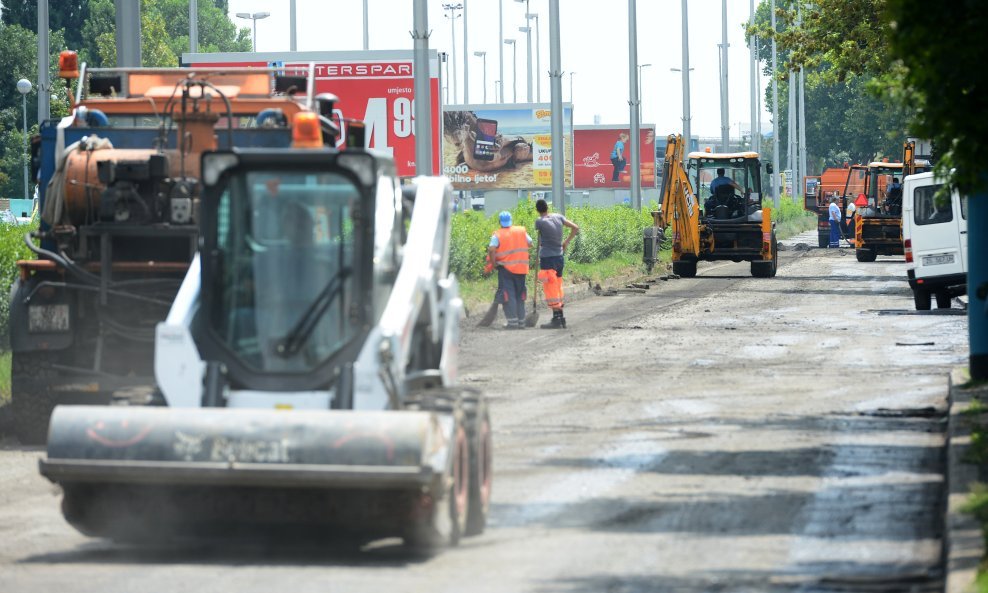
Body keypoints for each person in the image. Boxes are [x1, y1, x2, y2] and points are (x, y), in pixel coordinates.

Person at [534, 198, 580, 329]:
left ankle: (556, 319)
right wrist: (566, 241)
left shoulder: (539, 221)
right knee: (558, 285)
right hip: (559, 257)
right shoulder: (558, 217)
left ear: (537, 210)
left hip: (547, 259)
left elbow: (540, 235)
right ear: (547, 208)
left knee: (550, 287)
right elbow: (575, 227)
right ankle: (561, 317)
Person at [488, 211, 532, 329]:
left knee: (509, 295)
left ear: (500, 222)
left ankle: (512, 322)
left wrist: (494, 264)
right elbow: (530, 243)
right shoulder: (521, 231)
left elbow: (492, 249)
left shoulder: (497, 235)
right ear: (511, 220)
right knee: (520, 294)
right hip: (521, 269)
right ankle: (521, 322)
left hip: (505, 269)